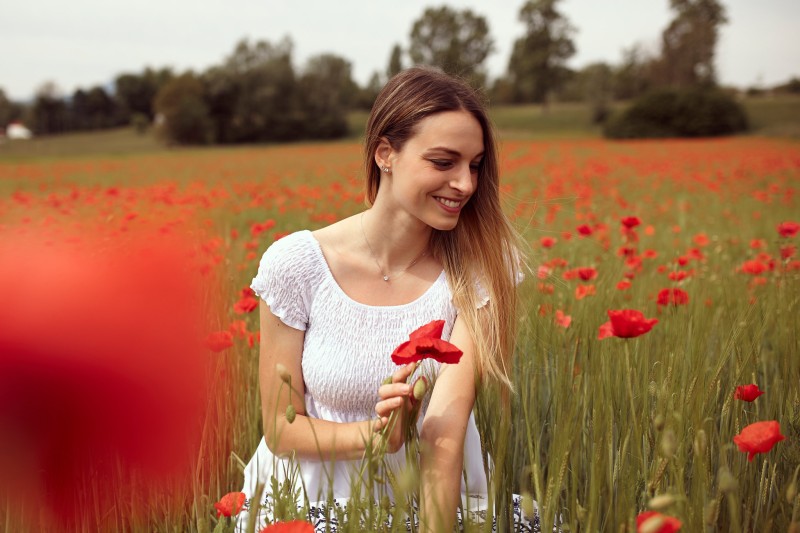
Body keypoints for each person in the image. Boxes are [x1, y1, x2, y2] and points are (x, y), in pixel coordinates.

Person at [236, 67, 537, 532]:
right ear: (385, 154)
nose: (466, 184)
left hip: (441, 498)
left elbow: (444, 428)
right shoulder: (297, 264)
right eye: (444, 162)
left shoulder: (483, 265)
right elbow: (281, 428)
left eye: (475, 165)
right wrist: (375, 439)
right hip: (312, 502)